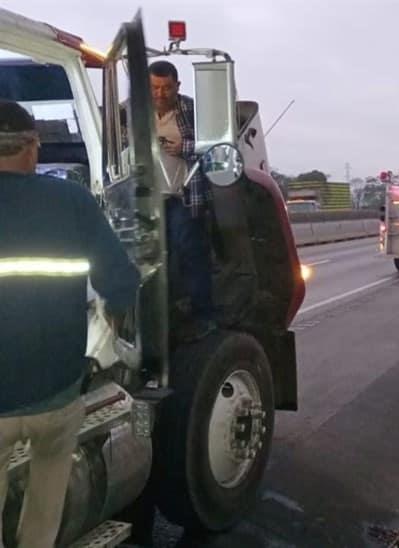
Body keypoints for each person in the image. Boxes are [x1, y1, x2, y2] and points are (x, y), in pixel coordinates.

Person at [0, 100, 140, 548]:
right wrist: (116, 326)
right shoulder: (71, 200)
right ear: (32, 148)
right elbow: (121, 280)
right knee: (46, 501)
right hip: (56, 392)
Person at [148, 60, 216, 340]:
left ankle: (204, 315)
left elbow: (215, 145)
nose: (160, 94)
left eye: (166, 88)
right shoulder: (131, 112)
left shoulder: (191, 110)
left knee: (190, 252)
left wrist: (184, 147)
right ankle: (159, 318)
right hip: (147, 198)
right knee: (151, 258)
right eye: (154, 88)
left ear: (177, 86)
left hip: (183, 196)